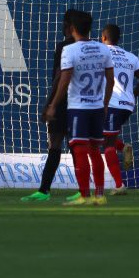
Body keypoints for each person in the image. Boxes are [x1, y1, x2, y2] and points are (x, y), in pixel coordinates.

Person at [46, 11, 114, 206]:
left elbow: (64, 81)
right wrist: (105, 104)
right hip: (97, 107)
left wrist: (53, 105)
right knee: (95, 151)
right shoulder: (103, 49)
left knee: (80, 151)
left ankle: (84, 195)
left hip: (78, 108)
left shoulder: (70, 50)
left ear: (72, 29)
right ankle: (99, 195)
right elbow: (111, 80)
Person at [21, 9, 83, 202]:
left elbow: (59, 76)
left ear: (69, 26)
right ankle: (84, 189)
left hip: (64, 101)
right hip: (82, 104)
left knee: (56, 144)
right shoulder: (91, 47)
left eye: (64, 24)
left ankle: (44, 190)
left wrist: (50, 103)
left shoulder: (65, 46)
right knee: (76, 146)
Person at [101, 24, 139, 195]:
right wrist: (132, 94)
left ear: (103, 38)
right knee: (99, 135)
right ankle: (123, 147)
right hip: (127, 105)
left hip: (111, 104)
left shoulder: (101, 52)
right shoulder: (130, 56)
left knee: (107, 144)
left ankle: (119, 184)